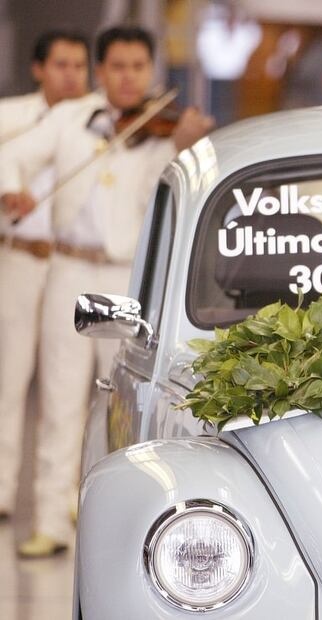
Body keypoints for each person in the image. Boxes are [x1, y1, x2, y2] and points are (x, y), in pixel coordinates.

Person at [0, 26, 213, 557]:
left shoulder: (169, 130)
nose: (128, 78)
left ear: (151, 72)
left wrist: (189, 147)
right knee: (59, 399)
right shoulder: (71, 118)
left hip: (130, 278)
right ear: (101, 72)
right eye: (117, 67)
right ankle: (50, 521)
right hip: (71, 270)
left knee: (125, 403)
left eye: (138, 68)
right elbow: (12, 157)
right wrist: (13, 190)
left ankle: (126, 530)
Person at [0, 30, 90, 524]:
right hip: (18, 256)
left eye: (79, 66)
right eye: (61, 65)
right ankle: (2, 490)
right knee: (8, 378)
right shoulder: (9, 116)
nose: (71, 75)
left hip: (71, 260)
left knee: (67, 386)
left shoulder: (97, 120)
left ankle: (66, 496)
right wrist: (9, 190)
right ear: (39, 69)